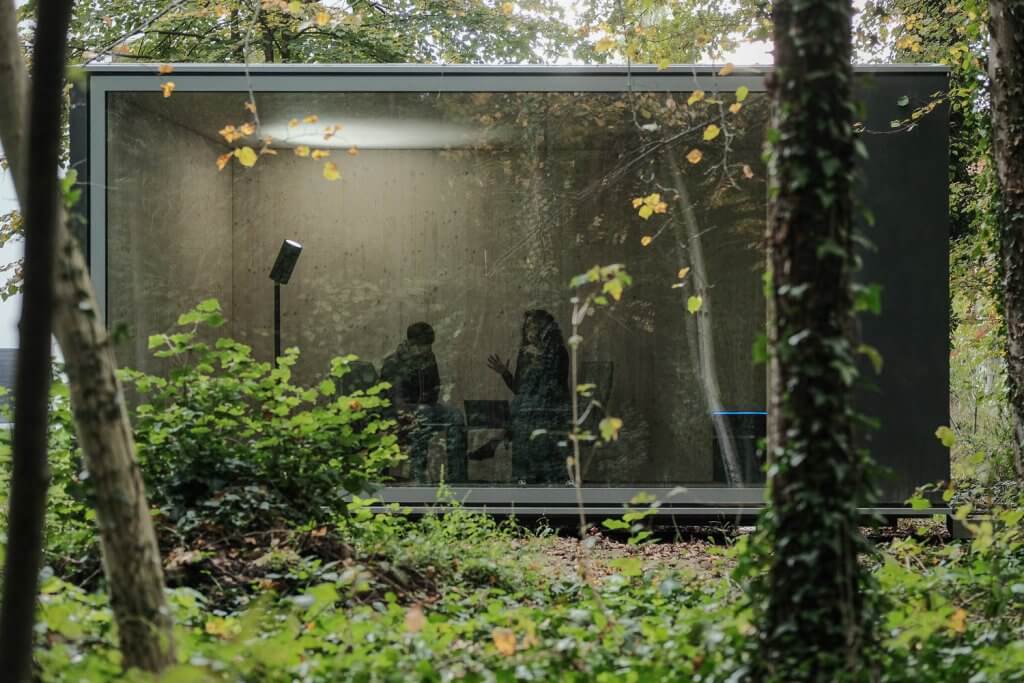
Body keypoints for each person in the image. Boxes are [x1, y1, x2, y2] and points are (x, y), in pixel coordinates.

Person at [486, 309, 571, 484]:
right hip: (529, 409)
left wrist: (538, 358)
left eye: (534, 326)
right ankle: (522, 477)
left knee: (520, 416)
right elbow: (519, 389)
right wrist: (504, 372)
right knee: (519, 413)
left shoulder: (558, 352)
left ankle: (499, 439)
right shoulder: (525, 354)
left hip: (551, 409)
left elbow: (555, 386)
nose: (530, 331)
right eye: (527, 327)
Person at [381, 322, 467, 483]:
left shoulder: (428, 360)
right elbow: (395, 400)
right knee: (424, 414)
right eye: (422, 346)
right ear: (411, 343)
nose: (426, 349)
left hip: (424, 409)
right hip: (396, 412)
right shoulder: (394, 362)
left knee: (455, 416)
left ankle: (458, 477)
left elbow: (435, 388)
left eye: (428, 346)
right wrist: (419, 410)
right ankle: (418, 474)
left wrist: (428, 405)